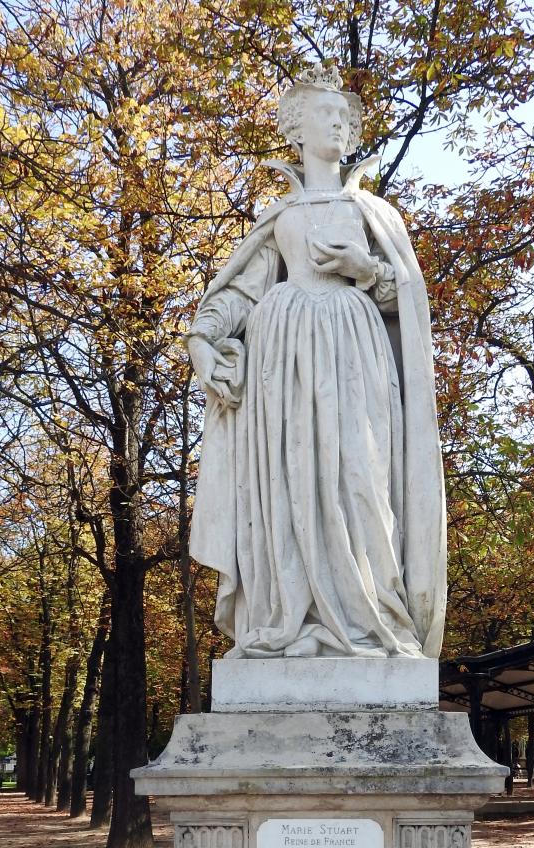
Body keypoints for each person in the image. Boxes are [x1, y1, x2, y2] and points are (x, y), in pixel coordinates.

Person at [188, 63, 446, 660]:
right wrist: (203, 338)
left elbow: (404, 298)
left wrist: (368, 270)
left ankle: (375, 618)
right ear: (296, 130)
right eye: (322, 114)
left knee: (362, 478)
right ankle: (291, 618)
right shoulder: (279, 217)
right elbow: (237, 293)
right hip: (284, 357)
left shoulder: (373, 213)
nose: (336, 122)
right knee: (289, 481)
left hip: (354, 353)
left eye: (343, 116)